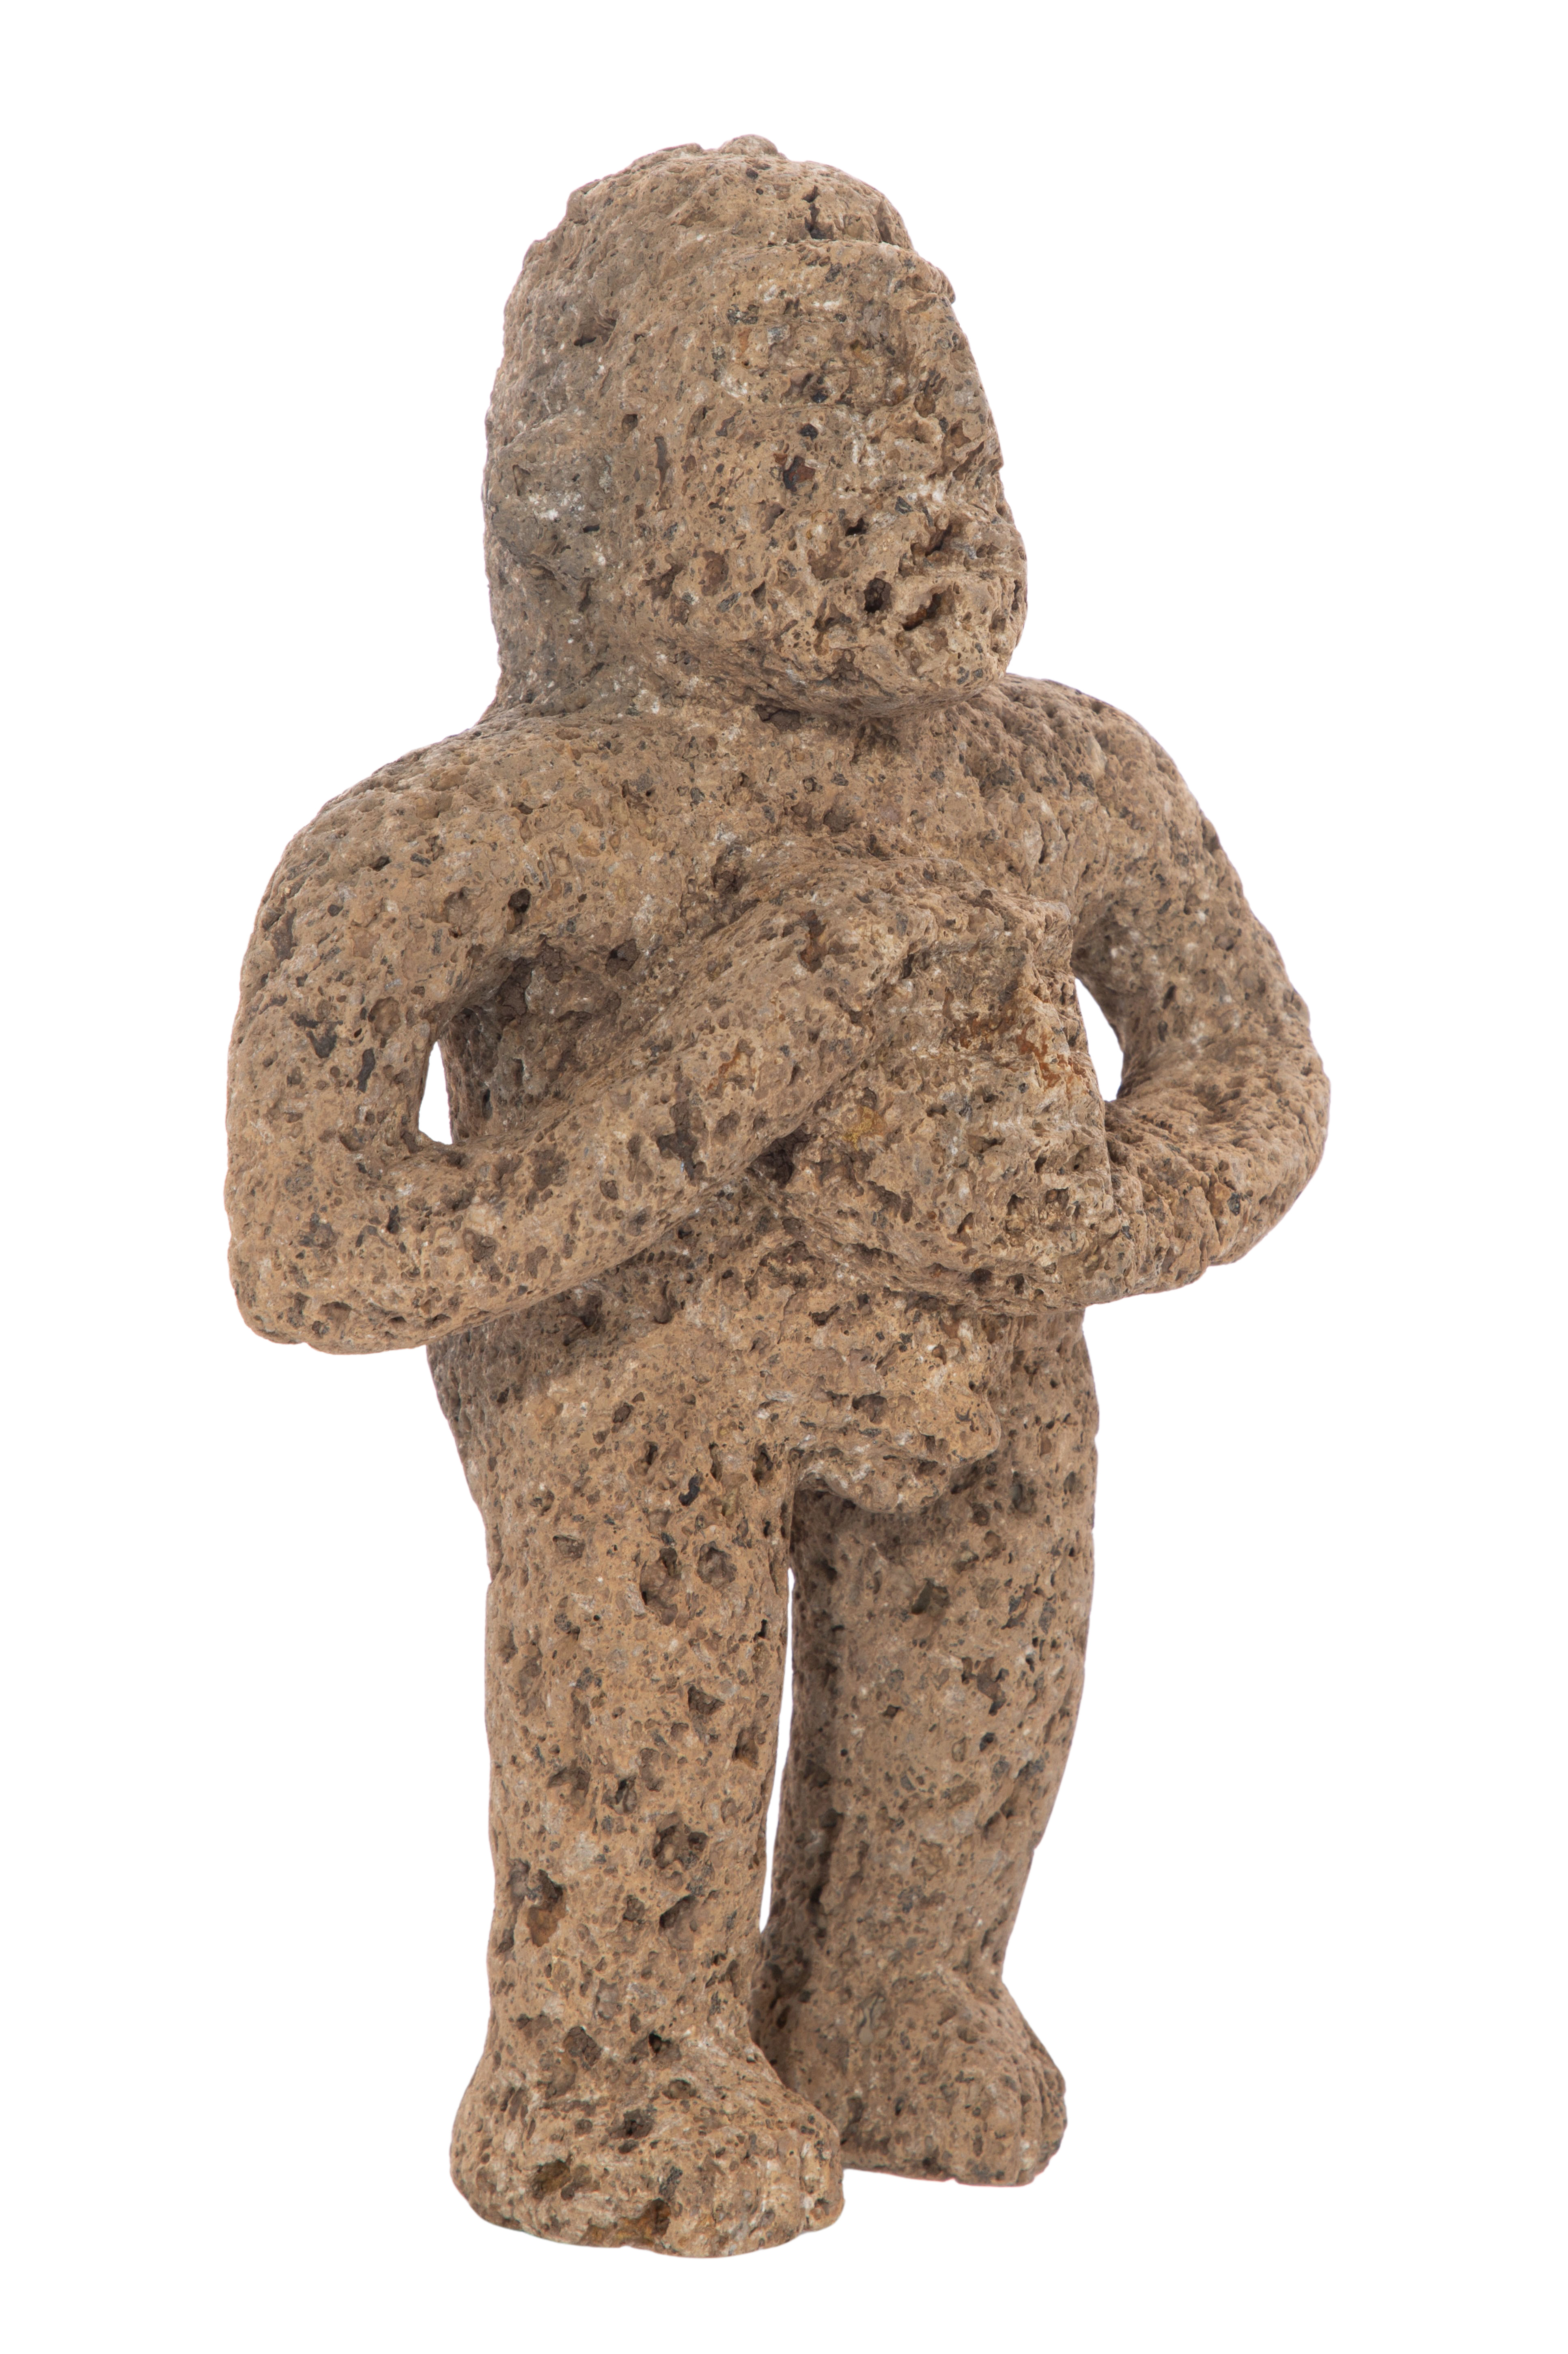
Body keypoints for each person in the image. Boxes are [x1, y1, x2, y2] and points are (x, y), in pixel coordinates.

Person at [226, 137, 1327, 2255]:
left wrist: (1075, 1211)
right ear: (608, 491)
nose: (911, 481)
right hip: (643, 1388)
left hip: (982, 1353)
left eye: (936, 406)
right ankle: (606, 2051)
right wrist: (683, 1106)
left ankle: (900, 1988)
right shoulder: (473, 837)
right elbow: (313, 1249)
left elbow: (1252, 1079)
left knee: (992, 1564)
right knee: (647, 1507)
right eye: (813, 420)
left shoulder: (1062, 776)